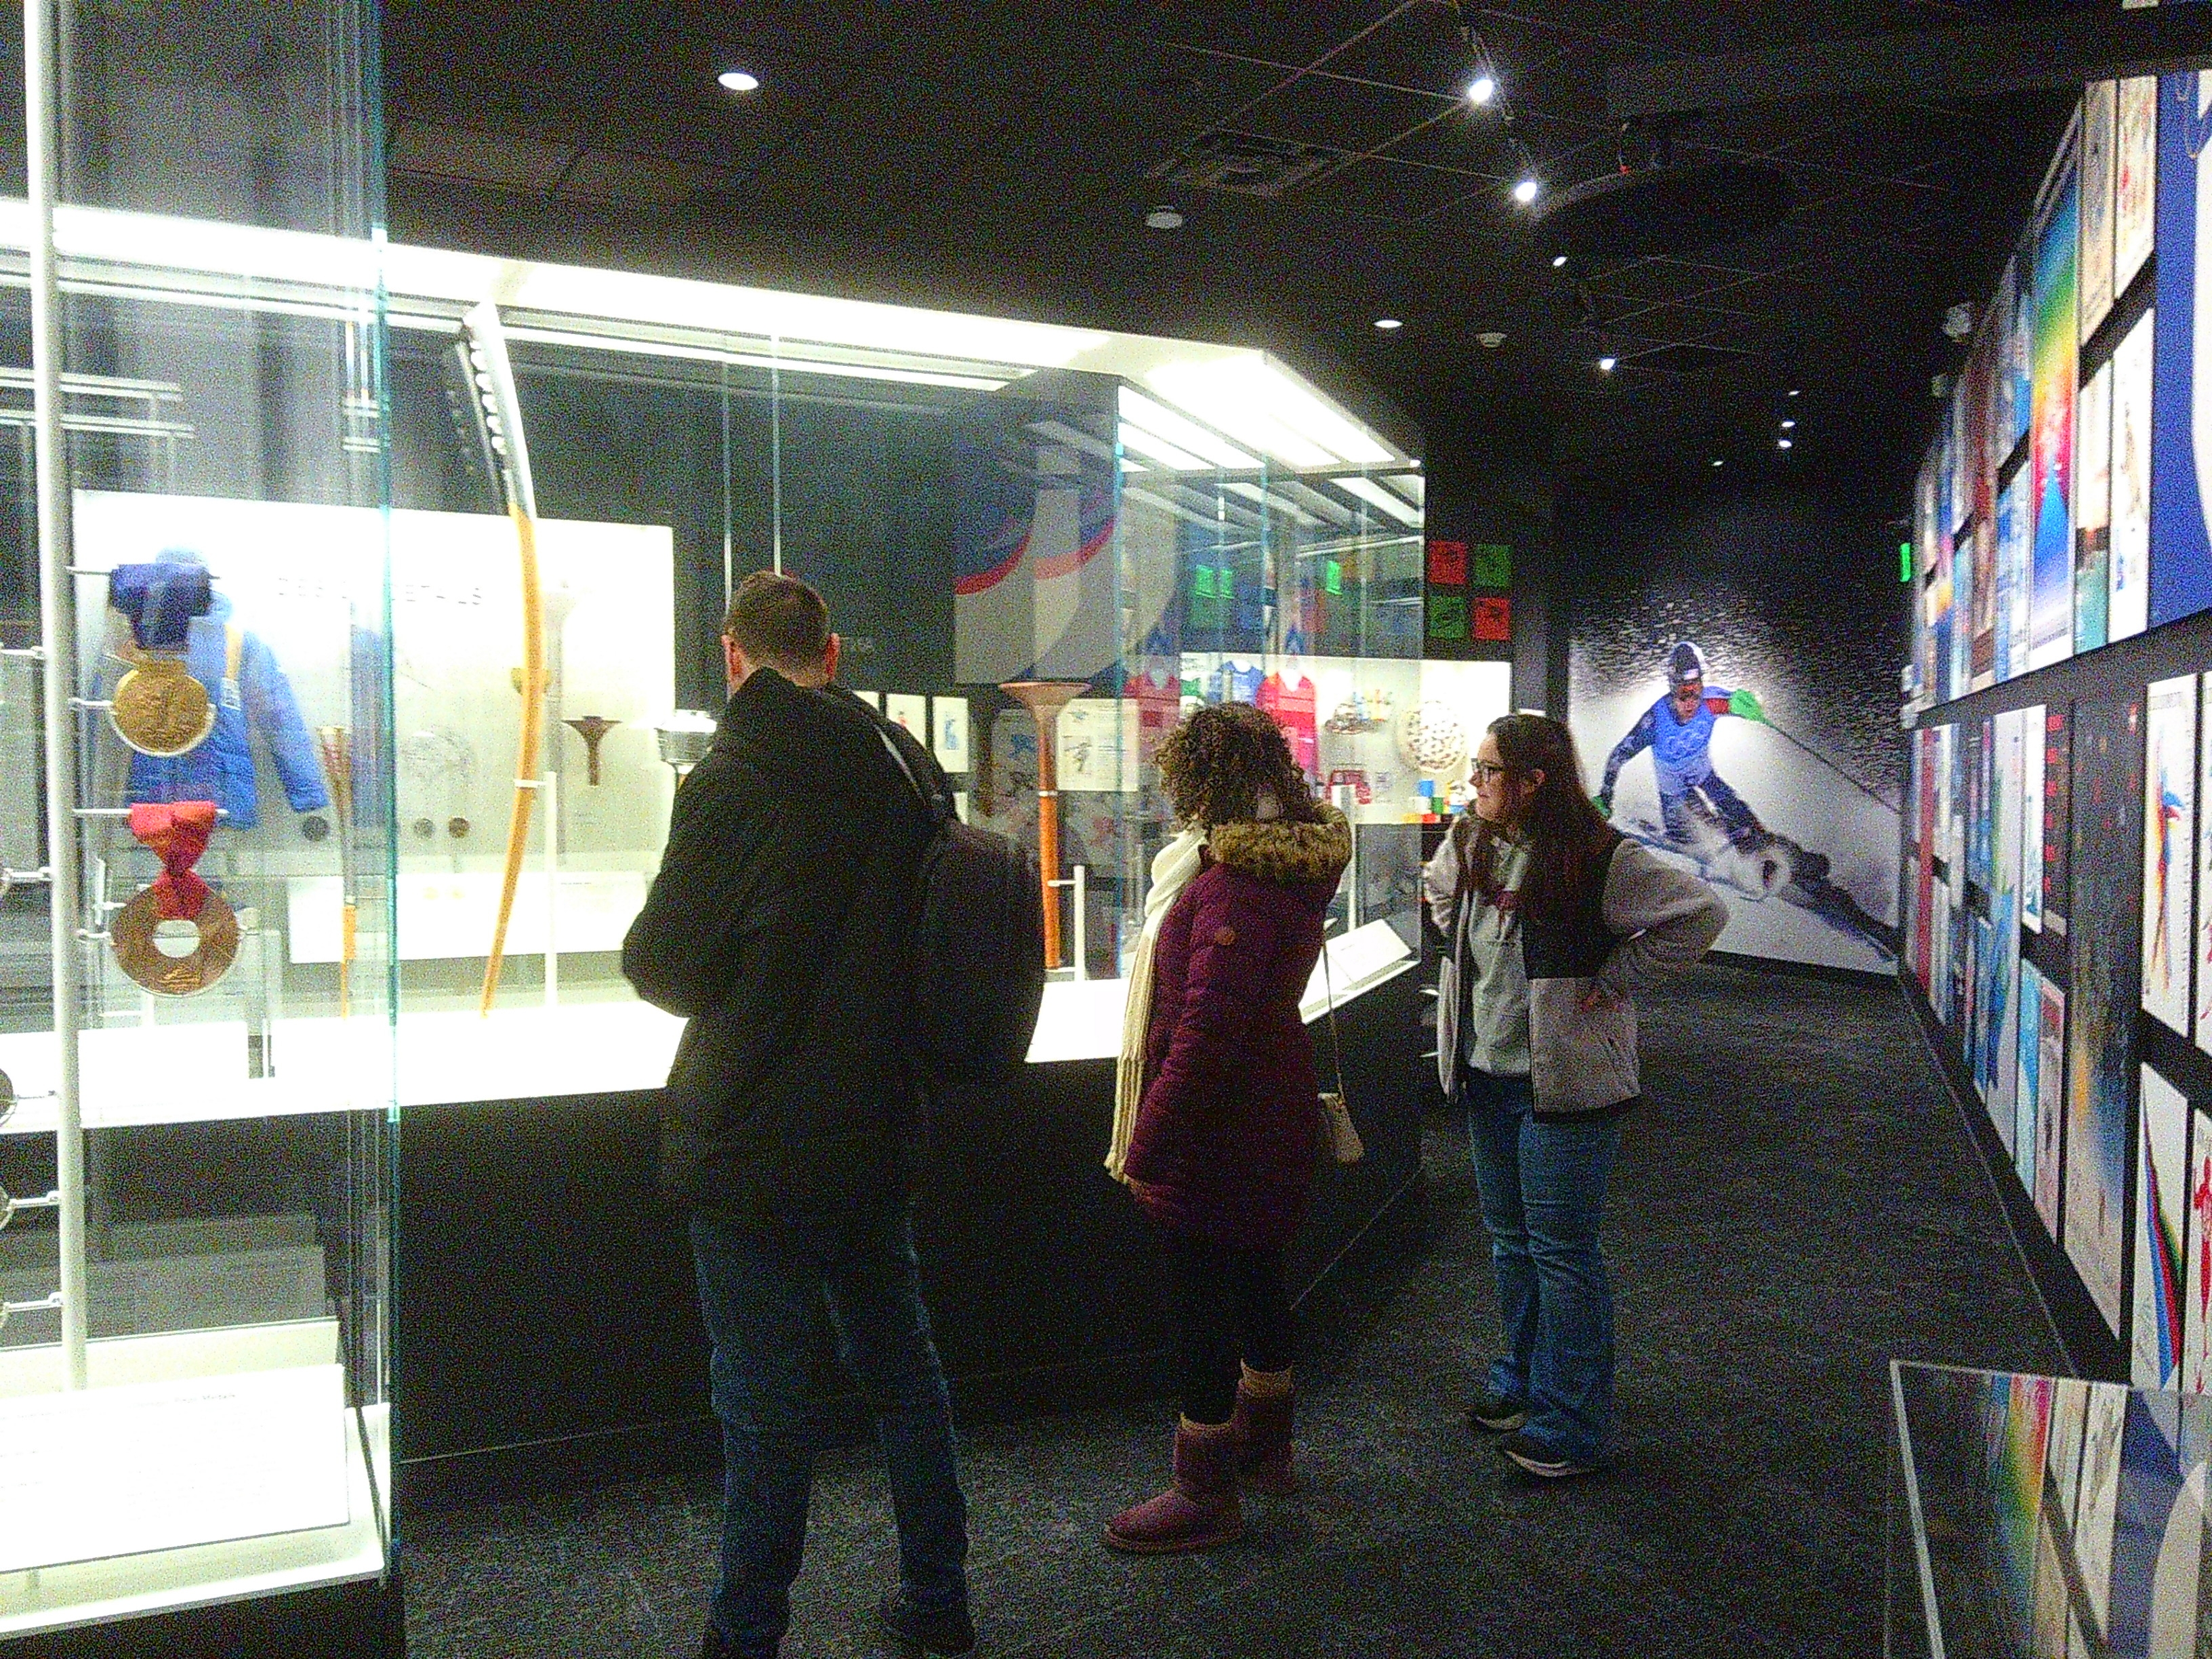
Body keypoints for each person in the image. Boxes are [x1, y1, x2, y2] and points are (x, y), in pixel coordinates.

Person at [621, 571, 972, 1659]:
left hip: (755, 1133)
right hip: (874, 1119)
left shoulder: (732, 772)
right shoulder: (905, 764)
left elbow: (665, 967)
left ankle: (747, 1634)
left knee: (765, 1409)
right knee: (904, 1374)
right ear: (832, 655)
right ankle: (939, 1600)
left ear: (733, 657)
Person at [1424, 713, 1725, 1478]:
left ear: (1534, 782)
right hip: (1487, 1077)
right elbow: (1439, 902)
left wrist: (1617, 979)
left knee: (1562, 1253)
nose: (1476, 781)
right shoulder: (1469, 841)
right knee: (1510, 1242)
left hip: (1565, 1086)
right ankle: (1522, 1383)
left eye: (1490, 770)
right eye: (1478, 766)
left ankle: (1574, 1423)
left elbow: (1700, 916)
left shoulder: (1601, 858)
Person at [1102, 702, 1352, 1553]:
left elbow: (1206, 1032)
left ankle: (1203, 1488)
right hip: (1266, 1108)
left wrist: (1149, 1145)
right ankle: (1267, 1444)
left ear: (1199, 784)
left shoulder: (1230, 888)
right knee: (1255, 1276)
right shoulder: (1280, 871)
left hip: (1220, 1126)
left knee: (1200, 1303)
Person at [1595, 640, 1769, 857]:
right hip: (1674, 794)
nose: (1690, 701)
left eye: (1695, 691)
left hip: (1705, 776)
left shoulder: (1712, 701)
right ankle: (1735, 842)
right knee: (1695, 828)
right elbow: (1618, 756)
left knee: (1731, 804)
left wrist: (1753, 707)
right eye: (1682, 693)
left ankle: (1766, 845)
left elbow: (1740, 703)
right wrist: (1605, 796)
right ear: (1672, 688)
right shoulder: (1656, 721)